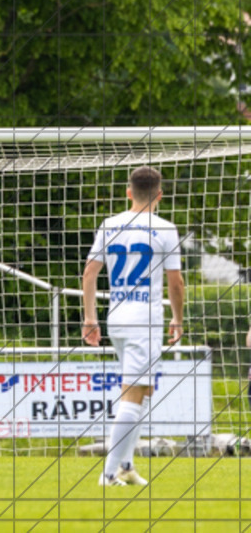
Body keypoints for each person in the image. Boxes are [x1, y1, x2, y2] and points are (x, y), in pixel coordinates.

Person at [82, 166, 184, 487]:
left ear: (129, 192)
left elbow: (89, 273)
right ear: (160, 196)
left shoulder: (110, 224)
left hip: (117, 319)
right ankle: (109, 473)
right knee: (132, 393)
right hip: (145, 321)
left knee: (142, 391)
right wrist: (178, 318)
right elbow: (176, 282)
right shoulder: (165, 229)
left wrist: (89, 318)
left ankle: (126, 465)